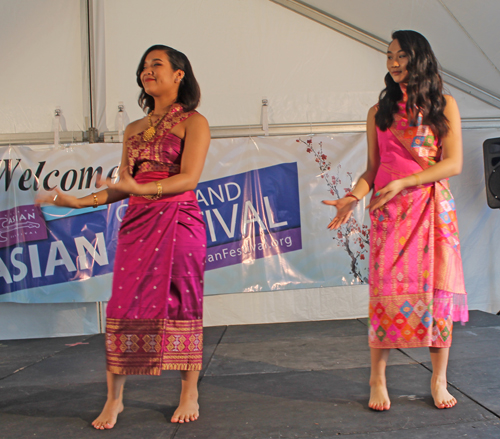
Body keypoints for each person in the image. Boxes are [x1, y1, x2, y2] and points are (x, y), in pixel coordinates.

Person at [37, 45, 210, 428]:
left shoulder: (194, 122)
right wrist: (77, 202)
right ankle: (114, 400)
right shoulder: (133, 129)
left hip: (180, 219)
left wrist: (141, 189)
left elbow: (188, 179)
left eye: (157, 64)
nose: (148, 71)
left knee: (183, 300)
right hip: (138, 223)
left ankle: (189, 391)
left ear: (179, 74)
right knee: (122, 304)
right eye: (144, 66)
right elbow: (121, 186)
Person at [323, 30, 468, 411]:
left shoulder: (444, 105)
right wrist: (353, 196)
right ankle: (377, 378)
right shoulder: (380, 111)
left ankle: (438, 379)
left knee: (437, 296)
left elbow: (452, 163)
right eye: (389, 55)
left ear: (419, 58)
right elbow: (372, 169)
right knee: (385, 295)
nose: (392, 61)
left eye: (400, 55)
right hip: (389, 213)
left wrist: (407, 180)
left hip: (433, 209)